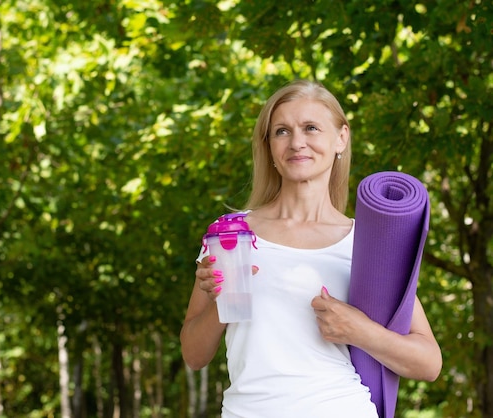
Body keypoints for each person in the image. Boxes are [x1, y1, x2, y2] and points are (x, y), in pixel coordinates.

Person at [179, 79, 442, 417]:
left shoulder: (365, 243)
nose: (297, 142)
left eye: (311, 128)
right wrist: (223, 301)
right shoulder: (232, 234)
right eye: (282, 131)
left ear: (341, 138)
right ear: (269, 146)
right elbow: (194, 355)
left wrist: (359, 331)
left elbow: (429, 363)